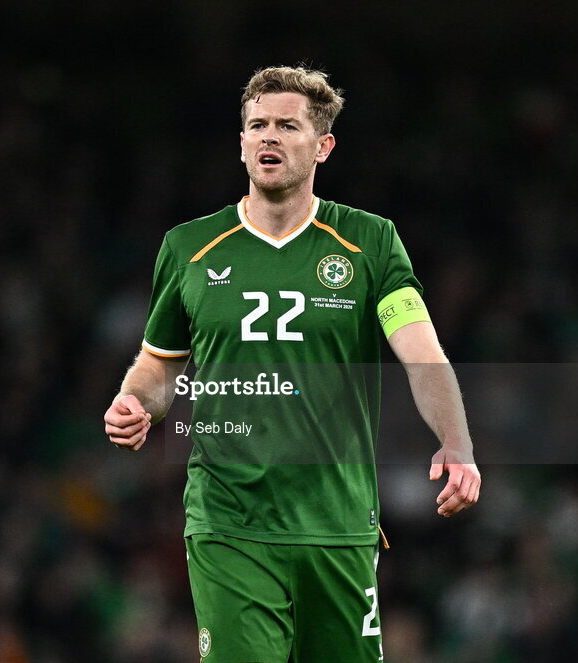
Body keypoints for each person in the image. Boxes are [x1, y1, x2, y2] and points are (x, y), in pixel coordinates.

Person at [104, 65, 480, 662]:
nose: (268, 137)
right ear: (242, 143)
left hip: (337, 523)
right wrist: (134, 402)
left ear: (324, 145)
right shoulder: (188, 247)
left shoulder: (370, 242)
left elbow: (423, 358)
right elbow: (157, 366)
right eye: (256, 125)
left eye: (287, 125)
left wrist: (455, 441)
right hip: (229, 520)